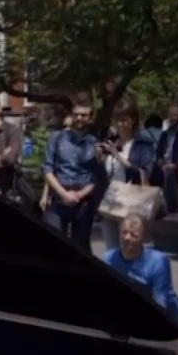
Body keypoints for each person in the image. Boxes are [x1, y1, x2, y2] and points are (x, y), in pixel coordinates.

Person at [43, 96, 106, 251]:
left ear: (90, 118)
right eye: (76, 114)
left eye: (83, 115)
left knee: (80, 246)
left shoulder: (96, 143)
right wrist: (63, 194)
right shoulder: (56, 138)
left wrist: (79, 195)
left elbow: (97, 177)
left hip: (83, 202)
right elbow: (47, 169)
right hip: (58, 199)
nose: (79, 118)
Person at [102, 213, 178, 324]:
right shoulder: (108, 258)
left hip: (167, 317)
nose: (127, 238)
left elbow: (160, 303)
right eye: (124, 233)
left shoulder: (158, 261)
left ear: (144, 238)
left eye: (133, 235)